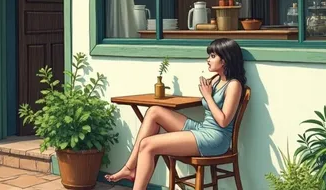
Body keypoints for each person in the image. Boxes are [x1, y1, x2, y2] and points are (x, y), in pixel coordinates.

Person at [105, 38, 246, 189]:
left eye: (212, 56)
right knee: (154, 111)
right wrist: (208, 94)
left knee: (148, 144)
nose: (208, 60)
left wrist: (207, 96)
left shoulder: (234, 85)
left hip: (215, 139)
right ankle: (129, 168)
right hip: (203, 129)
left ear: (224, 60)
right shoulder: (216, 80)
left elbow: (223, 121)